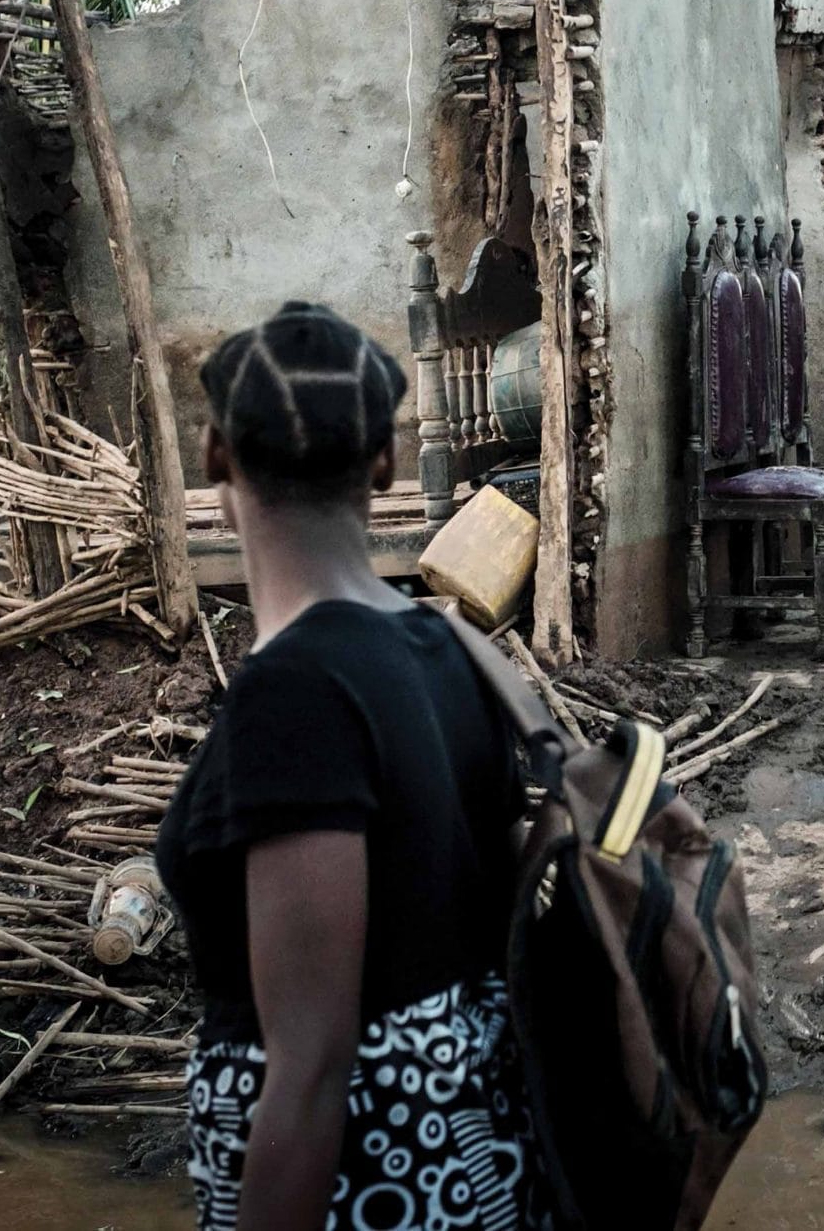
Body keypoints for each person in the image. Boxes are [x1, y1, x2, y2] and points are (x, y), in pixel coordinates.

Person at [155, 301, 545, 1231]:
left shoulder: (295, 696)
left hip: (374, 1181)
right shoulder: (446, 647)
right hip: (473, 1156)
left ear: (214, 456)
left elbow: (313, 1062)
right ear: (383, 462)